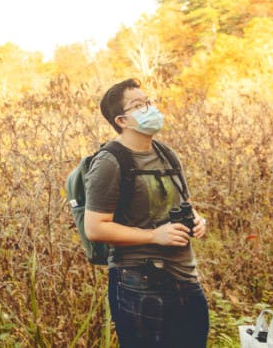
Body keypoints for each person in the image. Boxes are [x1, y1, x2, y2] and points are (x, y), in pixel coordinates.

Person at [84, 78, 209, 347]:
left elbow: (186, 203)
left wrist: (198, 220)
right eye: (139, 105)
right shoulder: (109, 162)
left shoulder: (167, 154)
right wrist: (154, 236)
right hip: (138, 282)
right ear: (121, 121)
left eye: (149, 101)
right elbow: (95, 227)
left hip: (185, 276)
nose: (150, 108)